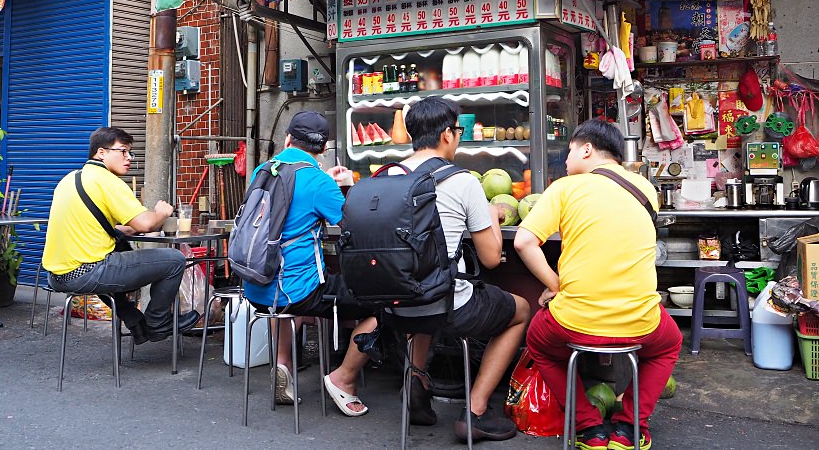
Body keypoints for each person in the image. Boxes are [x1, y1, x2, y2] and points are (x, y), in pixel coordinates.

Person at [514, 119, 682, 450]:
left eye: (571, 151)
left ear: (587, 149)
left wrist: (555, 284)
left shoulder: (564, 187)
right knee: (668, 344)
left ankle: (588, 427)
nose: (565, 161)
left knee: (538, 341)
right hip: (641, 320)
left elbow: (523, 242)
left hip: (573, 321)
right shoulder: (645, 189)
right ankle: (630, 427)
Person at [384, 96, 530, 442]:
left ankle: (417, 380)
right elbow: (492, 257)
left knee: (425, 289)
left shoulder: (389, 173)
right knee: (520, 310)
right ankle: (476, 410)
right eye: (458, 131)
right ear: (448, 135)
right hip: (446, 307)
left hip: (392, 304)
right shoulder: (462, 180)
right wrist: (493, 216)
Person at [242, 111, 377, 416]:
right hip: (297, 291)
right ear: (325, 148)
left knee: (290, 296)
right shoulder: (318, 181)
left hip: (256, 286)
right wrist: (345, 187)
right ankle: (344, 379)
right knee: (379, 302)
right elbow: (351, 226)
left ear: (287, 139)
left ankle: (283, 365)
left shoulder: (263, 170)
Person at [42, 127, 198, 344]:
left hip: (56, 275)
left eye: (130, 153)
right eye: (123, 151)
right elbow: (146, 224)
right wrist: (161, 213)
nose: (129, 158)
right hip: (87, 272)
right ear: (101, 153)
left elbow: (86, 224)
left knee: (116, 253)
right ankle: (157, 324)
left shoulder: (71, 178)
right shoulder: (108, 181)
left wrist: (123, 229)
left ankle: (135, 321)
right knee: (175, 261)